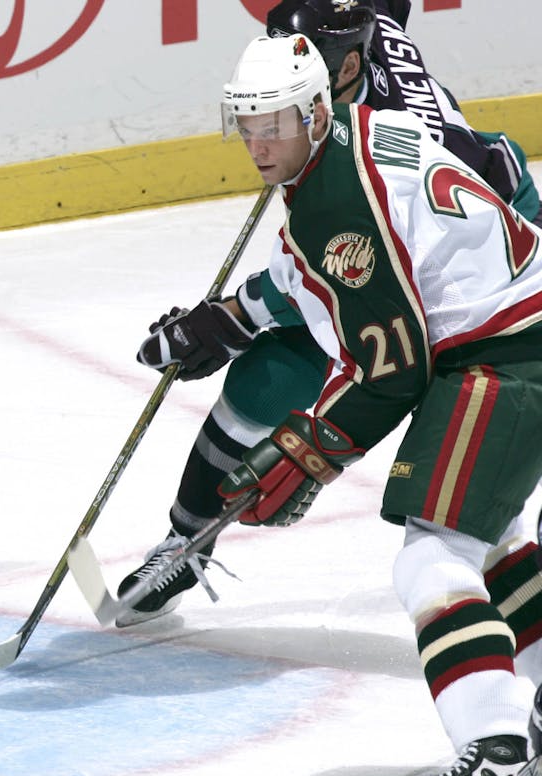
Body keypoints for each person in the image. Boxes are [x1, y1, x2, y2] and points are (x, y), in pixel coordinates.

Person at [153, 34, 542, 776]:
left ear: (314, 111)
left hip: (507, 351)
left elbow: (391, 369)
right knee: (489, 540)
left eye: (276, 124)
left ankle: (497, 747)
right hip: (508, 326)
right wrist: (229, 317)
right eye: (248, 124)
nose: (260, 144)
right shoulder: (359, 133)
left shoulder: (333, 203)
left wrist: (303, 448)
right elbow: (319, 274)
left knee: (432, 559)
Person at [114, 0, 542, 626]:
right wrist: (238, 316)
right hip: (396, 251)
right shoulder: (344, 58)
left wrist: (240, 314)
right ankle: (187, 541)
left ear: (340, 70)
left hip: (482, 276)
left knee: (474, 480)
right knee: (264, 378)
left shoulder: (385, 126)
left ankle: (502, 591)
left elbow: (347, 264)